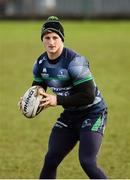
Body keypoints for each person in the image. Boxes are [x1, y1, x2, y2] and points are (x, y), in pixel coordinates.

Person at [29, 16, 108, 179]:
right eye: (47, 38)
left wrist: (56, 100)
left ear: (62, 38)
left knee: (87, 161)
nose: (51, 42)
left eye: (55, 37)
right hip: (70, 116)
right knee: (50, 159)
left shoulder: (75, 62)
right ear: (42, 40)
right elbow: (39, 86)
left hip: (93, 113)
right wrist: (29, 99)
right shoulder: (40, 63)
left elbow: (88, 96)